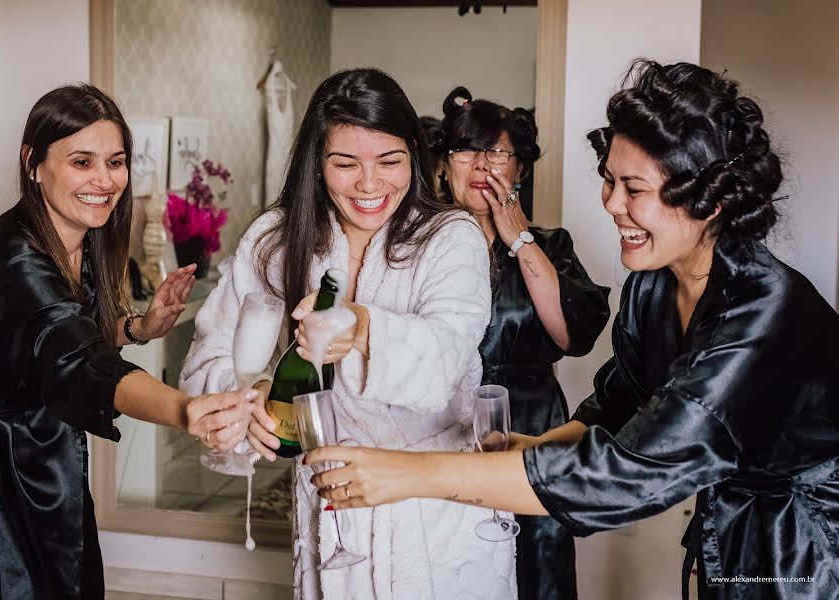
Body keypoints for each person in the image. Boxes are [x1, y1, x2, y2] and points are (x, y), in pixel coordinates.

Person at [308, 61, 839, 600]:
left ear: (710, 200)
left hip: (810, 553)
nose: (610, 203)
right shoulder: (652, 287)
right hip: (725, 537)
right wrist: (531, 447)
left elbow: (630, 469)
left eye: (632, 188)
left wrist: (413, 475)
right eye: (609, 180)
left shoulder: (762, 315)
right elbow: (615, 411)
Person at [180, 68, 516, 599]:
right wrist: (250, 400)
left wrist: (362, 329)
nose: (368, 183)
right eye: (344, 163)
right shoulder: (275, 239)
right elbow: (212, 351)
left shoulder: (451, 238)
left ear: (414, 156)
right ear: (317, 162)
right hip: (332, 504)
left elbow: (450, 352)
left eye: (389, 161)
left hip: (437, 509)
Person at [0, 84, 257, 599]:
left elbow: (56, 336)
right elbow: (77, 358)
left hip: (39, 456)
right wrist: (186, 410)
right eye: (82, 162)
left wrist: (135, 328)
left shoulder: (71, 242)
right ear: (33, 163)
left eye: (115, 162)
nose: (105, 181)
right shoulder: (18, 268)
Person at [434, 86, 610, 600]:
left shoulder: (551, 246)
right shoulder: (420, 248)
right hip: (445, 427)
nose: (481, 164)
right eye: (466, 150)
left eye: (497, 152)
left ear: (520, 170)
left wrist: (518, 237)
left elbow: (571, 337)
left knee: (537, 570)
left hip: (534, 433)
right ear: (446, 167)